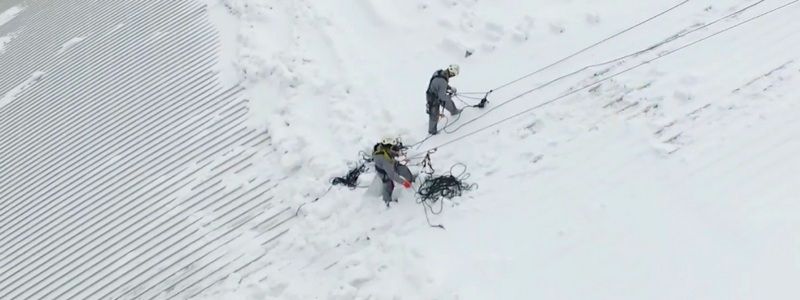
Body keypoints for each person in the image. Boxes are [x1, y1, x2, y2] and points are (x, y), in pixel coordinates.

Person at [372, 137, 414, 207]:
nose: (396, 150)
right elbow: (392, 175)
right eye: (393, 148)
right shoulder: (384, 159)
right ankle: (387, 203)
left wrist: (396, 162)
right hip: (384, 172)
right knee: (388, 184)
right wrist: (403, 182)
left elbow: (390, 159)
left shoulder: (384, 149)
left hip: (388, 166)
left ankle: (412, 181)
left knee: (403, 168)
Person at [426, 64, 461, 135]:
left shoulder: (439, 72)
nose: (453, 76)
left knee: (449, 103)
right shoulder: (442, 81)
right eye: (453, 75)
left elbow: (441, 85)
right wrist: (450, 96)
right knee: (434, 115)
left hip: (437, 93)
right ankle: (432, 131)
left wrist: (450, 88)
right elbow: (442, 97)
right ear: (451, 73)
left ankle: (454, 111)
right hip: (432, 98)